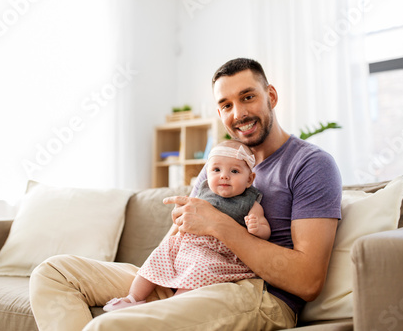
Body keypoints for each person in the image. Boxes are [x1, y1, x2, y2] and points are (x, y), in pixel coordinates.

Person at [29, 58, 342, 331]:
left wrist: (219, 224)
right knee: (53, 273)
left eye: (248, 97)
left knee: (110, 326)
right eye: (226, 105)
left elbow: (308, 281)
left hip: (252, 290)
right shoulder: (218, 165)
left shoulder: (310, 164)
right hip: (185, 271)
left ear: (270, 95)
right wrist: (155, 272)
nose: (239, 113)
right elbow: (182, 232)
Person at [103, 140, 270, 312]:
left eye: (234, 171)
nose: (224, 176)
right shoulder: (203, 193)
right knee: (158, 254)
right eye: (216, 170)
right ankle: (133, 298)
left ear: (249, 179)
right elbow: (184, 217)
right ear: (207, 173)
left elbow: (265, 231)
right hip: (188, 244)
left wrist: (257, 227)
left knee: (200, 267)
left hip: (218, 253)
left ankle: (175, 304)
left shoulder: (250, 202)